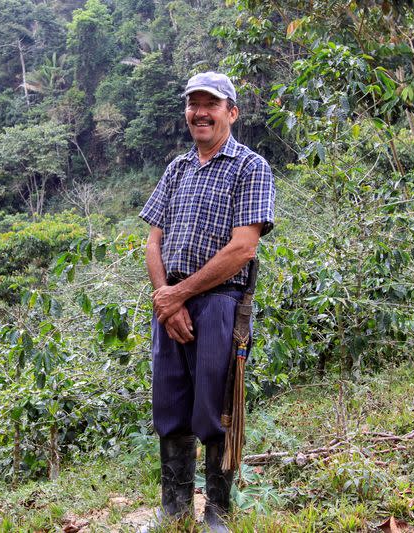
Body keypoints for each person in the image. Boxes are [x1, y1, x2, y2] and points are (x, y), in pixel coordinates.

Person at [138, 72, 275, 532]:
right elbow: (152, 242)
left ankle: (217, 512)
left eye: (210, 104)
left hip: (221, 304)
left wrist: (180, 294)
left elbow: (243, 248)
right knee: (171, 406)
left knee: (217, 408)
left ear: (231, 112)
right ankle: (174, 508)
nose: (200, 112)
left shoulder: (250, 167)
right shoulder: (176, 168)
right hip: (170, 306)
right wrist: (167, 300)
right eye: (193, 104)